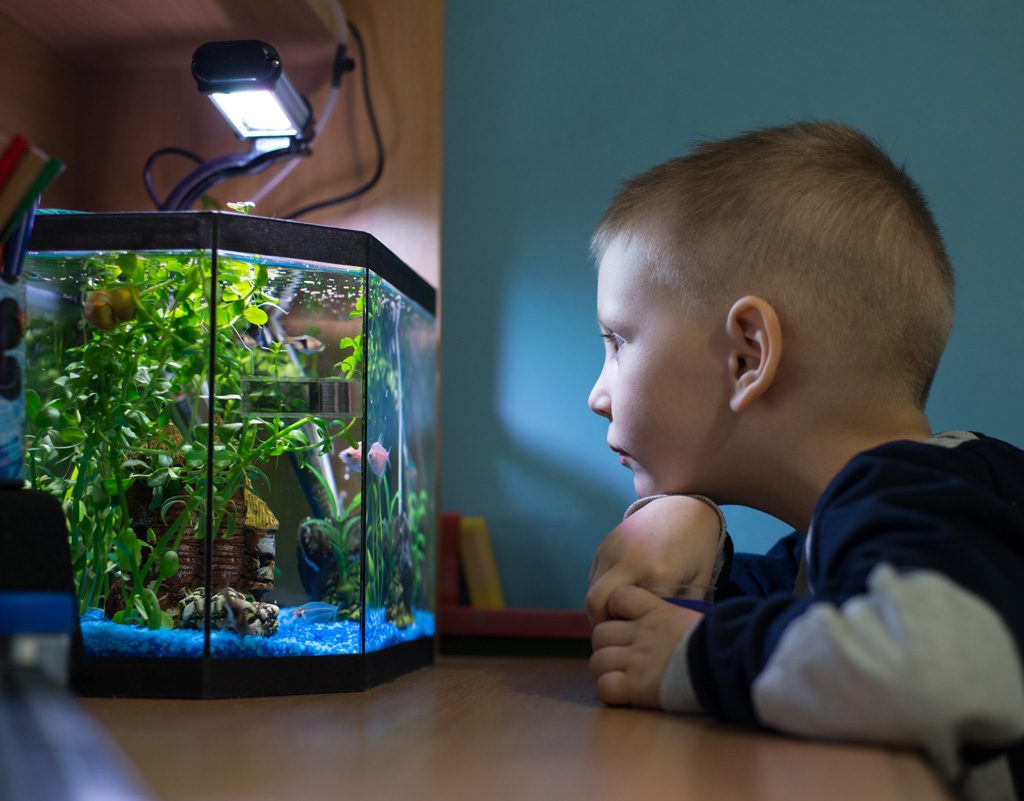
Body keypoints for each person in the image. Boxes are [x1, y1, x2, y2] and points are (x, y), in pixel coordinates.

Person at [584, 121, 1024, 801]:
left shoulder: (911, 496)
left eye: (618, 340)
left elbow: (948, 673)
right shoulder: (858, 528)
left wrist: (694, 655)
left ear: (747, 355)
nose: (597, 394)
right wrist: (694, 534)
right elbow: (787, 624)